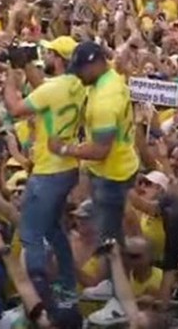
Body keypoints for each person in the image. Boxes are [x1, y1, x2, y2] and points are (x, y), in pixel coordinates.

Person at [4, 36, 83, 294]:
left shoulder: (52, 89)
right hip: (68, 167)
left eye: (49, 54)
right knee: (53, 229)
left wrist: (9, 75)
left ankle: (40, 294)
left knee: (31, 234)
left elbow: (16, 108)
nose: (45, 58)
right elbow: (43, 88)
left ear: (59, 60)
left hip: (49, 171)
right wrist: (24, 64)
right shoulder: (78, 84)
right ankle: (68, 285)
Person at [54, 41, 139, 243]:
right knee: (111, 227)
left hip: (111, 175)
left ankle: (111, 272)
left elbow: (101, 151)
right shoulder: (109, 77)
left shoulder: (105, 100)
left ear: (96, 64)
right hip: (121, 163)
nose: (78, 75)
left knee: (108, 241)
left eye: (81, 69)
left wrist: (64, 148)